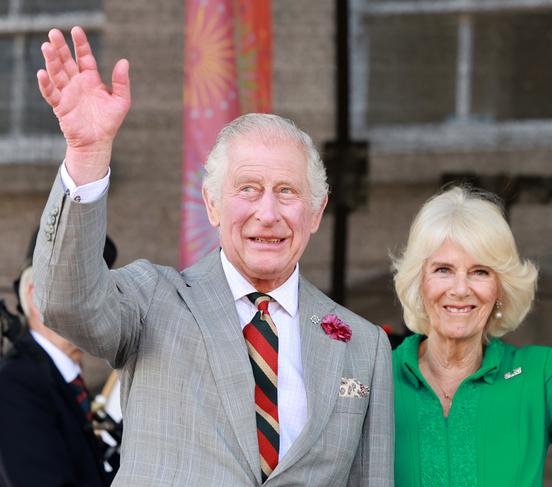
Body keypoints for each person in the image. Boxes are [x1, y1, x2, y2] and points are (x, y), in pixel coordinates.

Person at [32, 26, 393, 486]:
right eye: (248, 189)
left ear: (317, 210)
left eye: (287, 192)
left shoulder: (363, 346)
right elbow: (67, 301)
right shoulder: (151, 301)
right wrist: (87, 155)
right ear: (211, 205)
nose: (268, 213)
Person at [391, 166, 552, 486]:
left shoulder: (537, 375)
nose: (459, 289)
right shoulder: (376, 376)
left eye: (480, 272)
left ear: (501, 289)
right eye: (443, 269)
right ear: (420, 281)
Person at [0, 233, 117, 487]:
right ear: (33, 295)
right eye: (75, 289)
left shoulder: (64, 380)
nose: (91, 305)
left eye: (98, 290)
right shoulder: (13, 386)